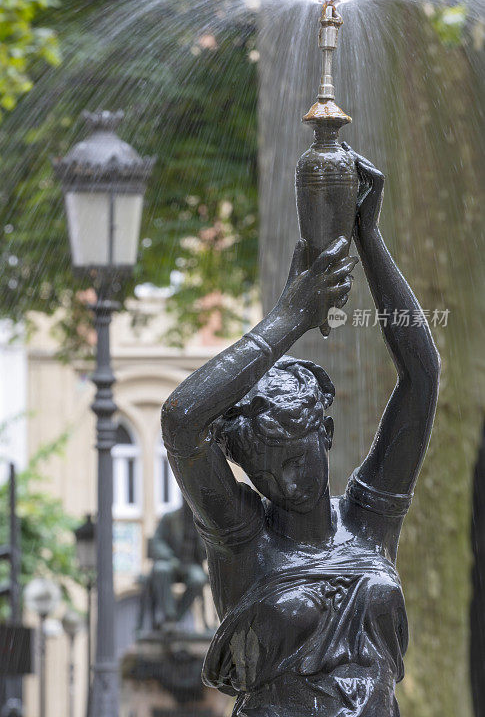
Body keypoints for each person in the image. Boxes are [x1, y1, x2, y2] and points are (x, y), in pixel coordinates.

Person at [161, 146, 440, 717]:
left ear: (326, 435)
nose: (280, 482)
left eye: (294, 459)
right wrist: (289, 318)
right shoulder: (244, 540)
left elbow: (422, 375)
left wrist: (369, 238)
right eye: (260, 470)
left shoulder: (370, 520)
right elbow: (181, 422)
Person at [148, 498, 207, 627]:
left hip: (190, 565)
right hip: (171, 562)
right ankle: (169, 615)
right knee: (161, 569)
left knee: (198, 579)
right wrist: (169, 557)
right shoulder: (169, 518)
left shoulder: (201, 521)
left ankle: (176, 617)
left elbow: (206, 549)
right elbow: (157, 541)